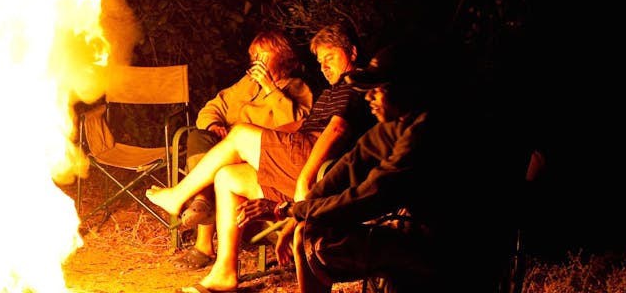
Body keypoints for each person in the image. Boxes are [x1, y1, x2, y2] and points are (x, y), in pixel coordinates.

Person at [240, 42, 518, 293]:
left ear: (406, 89)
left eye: (378, 90)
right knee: (307, 232)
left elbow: (369, 196)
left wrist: (286, 210)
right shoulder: (395, 126)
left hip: (458, 247)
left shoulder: (428, 130)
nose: (369, 98)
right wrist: (296, 218)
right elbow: (348, 168)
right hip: (421, 231)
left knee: (320, 241)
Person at [144, 24, 377, 292]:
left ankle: (178, 196)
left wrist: (305, 182)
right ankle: (224, 274)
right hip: (297, 159)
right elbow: (298, 127)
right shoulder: (330, 91)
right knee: (227, 176)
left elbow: (336, 130)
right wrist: (262, 139)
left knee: (241, 134)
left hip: (316, 168)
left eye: (331, 57)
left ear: (353, 53)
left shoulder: (356, 85)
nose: (324, 66)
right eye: (320, 60)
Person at [173, 29, 315, 270]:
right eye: (254, 55)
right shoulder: (246, 84)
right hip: (225, 148)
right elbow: (211, 107)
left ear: (283, 57)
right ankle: (202, 203)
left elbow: (296, 126)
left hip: (260, 158)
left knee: (221, 166)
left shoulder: (297, 88)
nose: (257, 60)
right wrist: (215, 124)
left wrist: (270, 89)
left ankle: (203, 243)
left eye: (263, 54)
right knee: (198, 136)